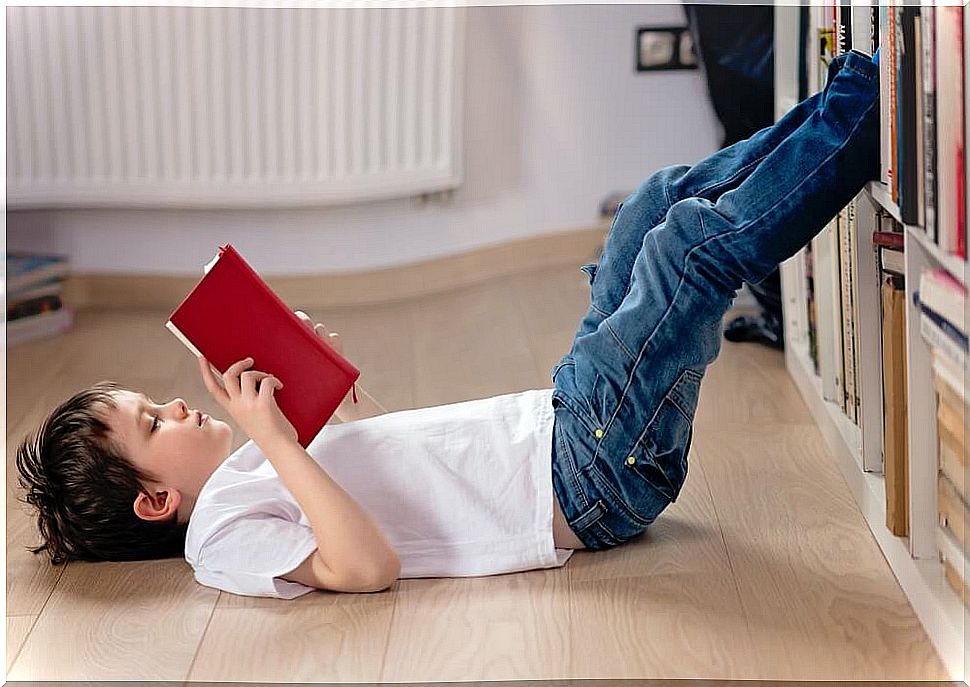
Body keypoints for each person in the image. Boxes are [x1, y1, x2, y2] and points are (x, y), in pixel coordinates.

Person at [15, 50, 880, 598]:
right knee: (683, 248)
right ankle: (863, 119)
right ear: (156, 498)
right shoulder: (218, 541)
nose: (176, 406)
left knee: (652, 206)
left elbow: (382, 474)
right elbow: (365, 565)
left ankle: (844, 101)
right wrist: (274, 438)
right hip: (585, 480)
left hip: (562, 423)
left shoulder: (253, 468)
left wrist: (315, 387)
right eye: (153, 421)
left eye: (156, 401)